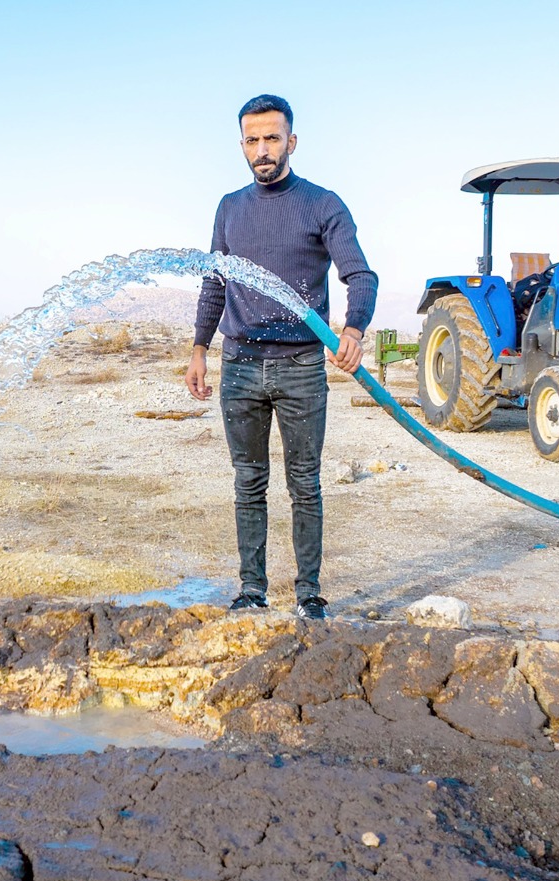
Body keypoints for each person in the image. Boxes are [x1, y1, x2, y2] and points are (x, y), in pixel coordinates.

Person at [184, 94, 377, 620]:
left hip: (301, 369)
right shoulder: (229, 208)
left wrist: (353, 330)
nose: (263, 149)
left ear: (292, 141)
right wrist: (201, 348)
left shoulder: (322, 204)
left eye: (273, 138)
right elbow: (215, 282)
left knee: (304, 484)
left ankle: (309, 594)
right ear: (241, 145)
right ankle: (252, 590)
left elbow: (360, 274)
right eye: (253, 140)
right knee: (248, 482)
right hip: (240, 365)